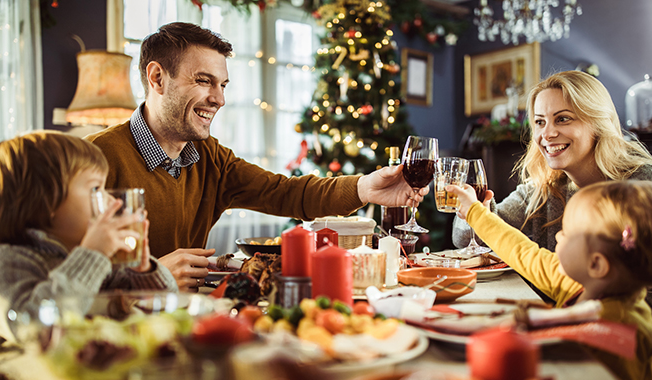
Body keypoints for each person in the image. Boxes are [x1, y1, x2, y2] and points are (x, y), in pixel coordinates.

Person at [85, 22, 427, 292]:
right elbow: (57, 272)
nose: (218, 99)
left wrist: (365, 188)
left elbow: (286, 193)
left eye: (223, 85)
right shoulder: (94, 158)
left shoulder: (210, 158)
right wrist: (151, 277)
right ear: (157, 78)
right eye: (204, 81)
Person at [452, 70, 652, 344]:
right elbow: (468, 239)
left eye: (563, 119)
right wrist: (476, 209)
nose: (547, 133)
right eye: (539, 122)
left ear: (597, 122)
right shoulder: (544, 187)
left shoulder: (643, 187)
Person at [449, 180, 652, 380]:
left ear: (596, 264)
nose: (558, 235)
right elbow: (522, 251)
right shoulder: (581, 284)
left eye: (567, 232)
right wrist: (475, 212)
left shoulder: (615, 335)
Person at [0, 131, 178, 344]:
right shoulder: (10, 262)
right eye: (95, 189)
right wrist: (91, 255)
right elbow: (37, 332)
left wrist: (144, 271)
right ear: (46, 201)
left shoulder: (94, 258)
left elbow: (166, 306)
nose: (109, 201)